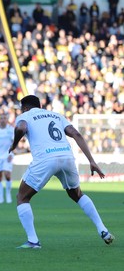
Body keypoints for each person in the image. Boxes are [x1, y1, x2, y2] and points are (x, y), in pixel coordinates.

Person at [9, 95, 114, 249]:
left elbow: (21, 128)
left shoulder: (25, 115)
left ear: (25, 107)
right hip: (67, 157)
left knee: (22, 197)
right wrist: (91, 160)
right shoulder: (56, 115)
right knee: (77, 194)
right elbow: (76, 134)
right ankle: (103, 229)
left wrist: (14, 144)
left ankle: (33, 241)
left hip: (45, 159)